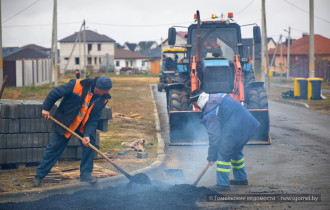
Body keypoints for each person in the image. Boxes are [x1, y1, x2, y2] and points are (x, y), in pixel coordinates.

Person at [32, 75, 112, 187]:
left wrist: (88, 134)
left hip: (82, 126)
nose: (106, 92)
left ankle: (85, 174)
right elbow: (55, 92)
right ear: (97, 87)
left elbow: (94, 118)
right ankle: (39, 176)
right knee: (54, 148)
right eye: (105, 90)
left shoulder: (103, 98)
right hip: (66, 122)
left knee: (89, 145)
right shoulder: (76, 85)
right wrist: (46, 108)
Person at [190, 89, 260, 191]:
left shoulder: (210, 112)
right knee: (235, 151)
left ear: (197, 102)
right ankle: (241, 179)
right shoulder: (216, 96)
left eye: (194, 104)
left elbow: (214, 137)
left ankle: (222, 185)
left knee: (223, 151)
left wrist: (212, 156)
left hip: (238, 127)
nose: (196, 107)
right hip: (248, 124)